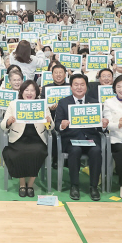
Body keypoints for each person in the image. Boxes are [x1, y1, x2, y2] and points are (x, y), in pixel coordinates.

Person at [53, 73, 106, 201]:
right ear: (71, 87)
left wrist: (103, 125)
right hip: (72, 139)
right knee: (75, 151)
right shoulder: (63, 102)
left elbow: (99, 128)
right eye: (76, 85)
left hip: (90, 138)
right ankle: (74, 186)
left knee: (96, 151)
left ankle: (93, 187)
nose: (79, 87)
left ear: (86, 87)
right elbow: (57, 125)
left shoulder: (94, 102)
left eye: (82, 84)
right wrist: (62, 125)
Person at [0, 80, 52, 198]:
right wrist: (9, 121)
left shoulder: (42, 105)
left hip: (37, 139)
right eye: (26, 90)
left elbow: (51, 127)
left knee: (38, 152)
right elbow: (3, 125)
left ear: (36, 92)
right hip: (18, 138)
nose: (29, 93)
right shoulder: (14, 104)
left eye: (32, 90)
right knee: (18, 153)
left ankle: (31, 184)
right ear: (22, 92)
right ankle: (22, 183)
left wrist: (48, 121)